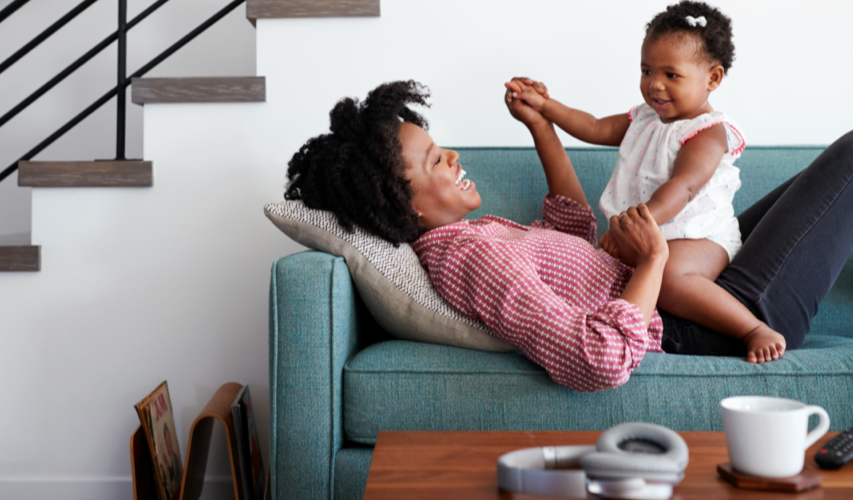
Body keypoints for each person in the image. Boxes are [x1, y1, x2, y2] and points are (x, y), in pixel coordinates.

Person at [284, 79, 853, 392]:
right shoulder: (468, 258)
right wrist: (652, 261)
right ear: (402, 204)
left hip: (696, 287)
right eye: (436, 160)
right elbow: (596, 359)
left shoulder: (476, 233)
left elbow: (572, 227)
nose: (453, 155)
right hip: (708, 325)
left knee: (833, 174)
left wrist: (542, 127)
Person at [505, 1, 785, 364]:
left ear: (712, 79)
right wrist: (546, 106)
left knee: (668, 278)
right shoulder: (643, 118)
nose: (655, 84)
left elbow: (684, 186)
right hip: (650, 234)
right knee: (631, 272)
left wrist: (629, 227)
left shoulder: (708, 131)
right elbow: (594, 127)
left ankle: (751, 328)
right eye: (647, 70)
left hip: (700, 237)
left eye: (672, 75)